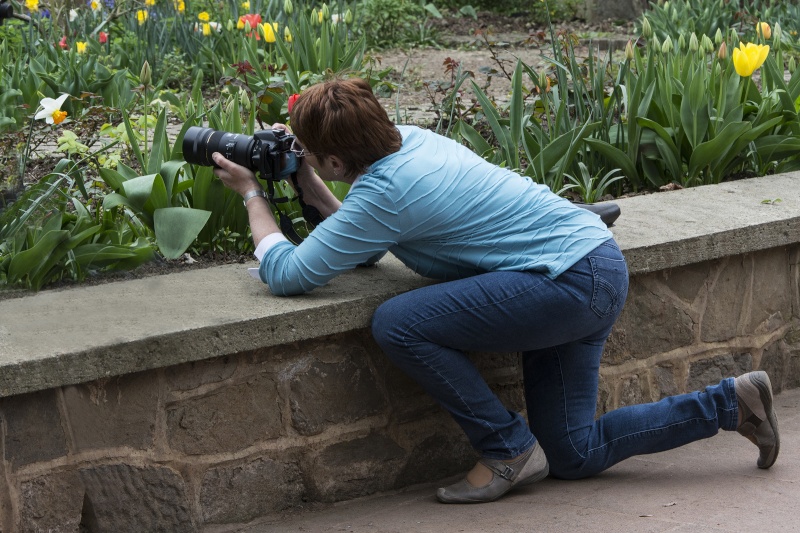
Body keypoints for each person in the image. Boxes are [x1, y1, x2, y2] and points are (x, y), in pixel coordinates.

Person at [211, 77, 780, 504]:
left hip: (565, 284)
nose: (307, 158)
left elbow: (288, 275)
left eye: (312, 153)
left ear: (337, 158)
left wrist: (251, 194)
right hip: (592, 267)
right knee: (575, 455)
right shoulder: (410, 141)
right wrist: (307, 175)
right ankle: (730, 402)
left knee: (397, 321)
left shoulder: (386, 193)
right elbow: (359, 236)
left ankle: (507, 447)